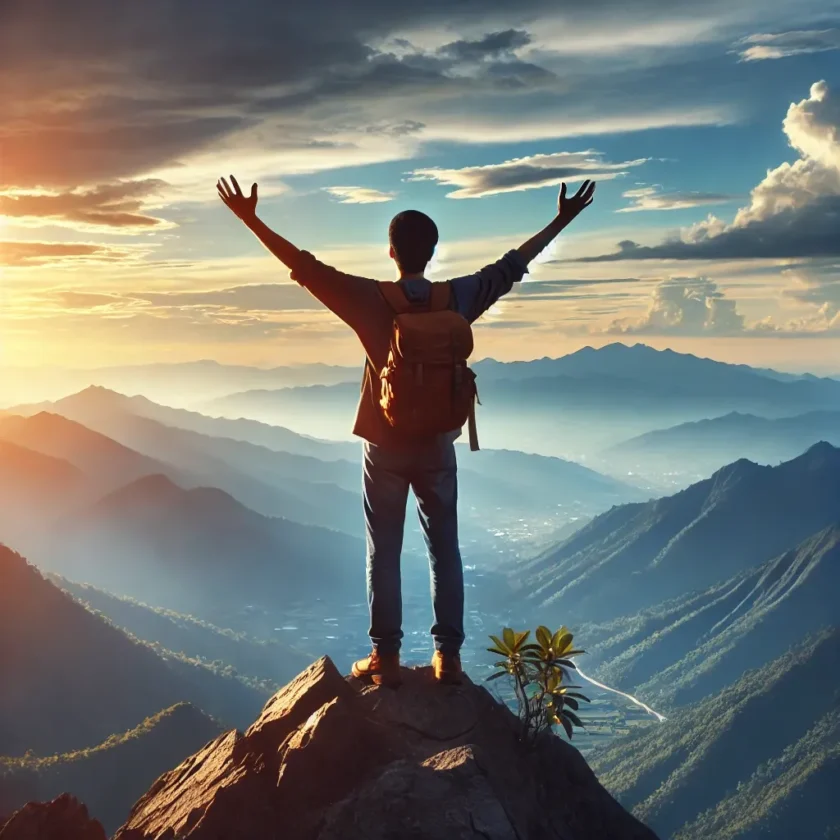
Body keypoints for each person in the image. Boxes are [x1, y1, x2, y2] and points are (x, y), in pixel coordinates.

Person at [217, 175, 596, 687]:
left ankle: (386, 660)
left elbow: (303, 266)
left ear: (391, 252)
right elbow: (512, 267)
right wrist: (562, 219)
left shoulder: (367, 300)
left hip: (385, 445)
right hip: (439, 443)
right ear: (434, 252)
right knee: (446, 549)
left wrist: (250, 218)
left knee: (384, 550)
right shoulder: (458, 298)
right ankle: (449, 659)